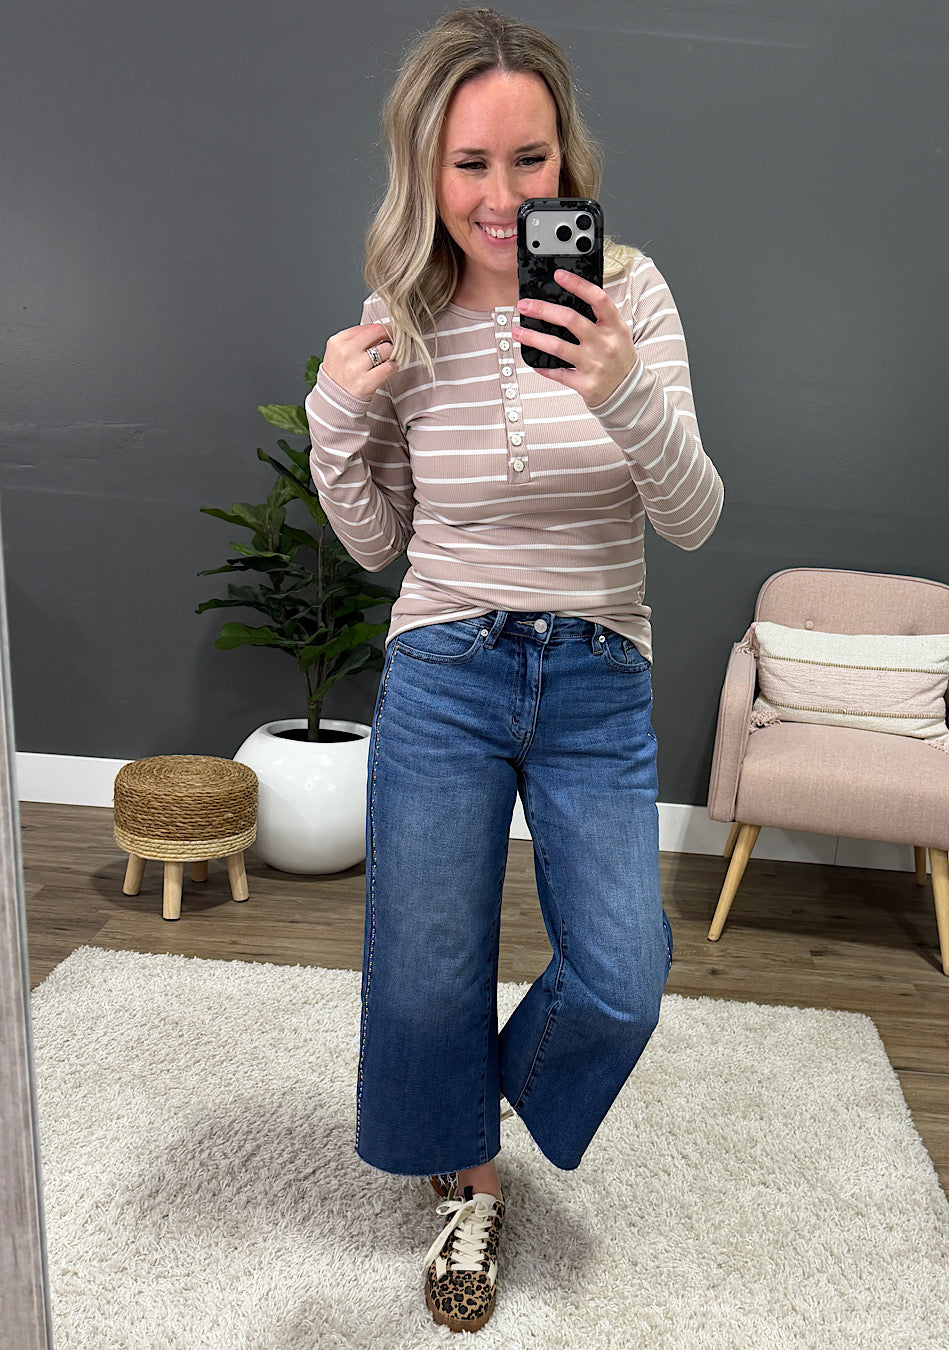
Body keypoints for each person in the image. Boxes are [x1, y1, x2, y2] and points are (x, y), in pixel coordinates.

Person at [305, 6, 724, 1334]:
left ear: (567, 159)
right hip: (446, 662)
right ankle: (468, 1182)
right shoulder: (403, 316)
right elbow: (377, 539)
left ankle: (457, 1100)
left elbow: (694, 516)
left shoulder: (630, 295)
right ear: (424, 168)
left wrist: (621, 389)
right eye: (469, 164)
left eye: (528, 160)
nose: (501, 197)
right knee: (425, 966)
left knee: (625, 974)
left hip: (598, 670)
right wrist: (337, 418)